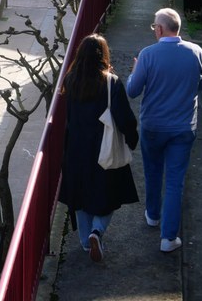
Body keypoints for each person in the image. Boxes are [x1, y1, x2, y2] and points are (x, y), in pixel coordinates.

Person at [127, 8, 202, 253]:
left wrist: (134, 71)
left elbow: (132, 91)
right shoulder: (196, 52)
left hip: (153, 126)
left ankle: (153, 215)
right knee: (175, 181)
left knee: (152, 172)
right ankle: (168, 238)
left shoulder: (148, 55)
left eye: (154, 27)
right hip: (183, 127)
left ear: (160, 29)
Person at [59, 33, 139, 263]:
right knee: (109, 195)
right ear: (103, 55)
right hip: (103, 149)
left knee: (81, 197)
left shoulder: (70, 79)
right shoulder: (110, 82)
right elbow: (125, 118)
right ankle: (97, 231)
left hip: (75, 149)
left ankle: (86, 242)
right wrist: (132, 139)